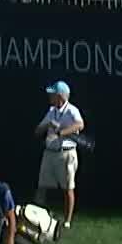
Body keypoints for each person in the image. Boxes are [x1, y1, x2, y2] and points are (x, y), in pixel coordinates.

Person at [34, 81, 85, 232]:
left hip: (66, 154)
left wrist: (61, 132)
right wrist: (47, 125)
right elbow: (37, 130)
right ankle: (37, 217)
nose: (49, 96)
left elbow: (79, 125)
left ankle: (67, 221)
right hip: (49, 153)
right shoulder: (51, 111)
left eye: (52, 94)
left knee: (68, 188)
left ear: (60, 96)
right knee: (42, 187)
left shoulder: (71, 110)